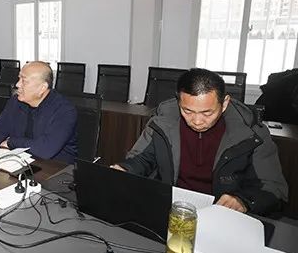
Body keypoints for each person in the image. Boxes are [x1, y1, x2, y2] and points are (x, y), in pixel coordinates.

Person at [112, 68, 288, 216]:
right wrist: (125, 169)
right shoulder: (162, 122)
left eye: (207, 113)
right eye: (187, 111)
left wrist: (243, 201)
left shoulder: (251, 133)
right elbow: (142, 159)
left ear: (224, 103)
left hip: (222, 217)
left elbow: (274, 188)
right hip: (171, 210)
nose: (197, 121)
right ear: (179, 101)